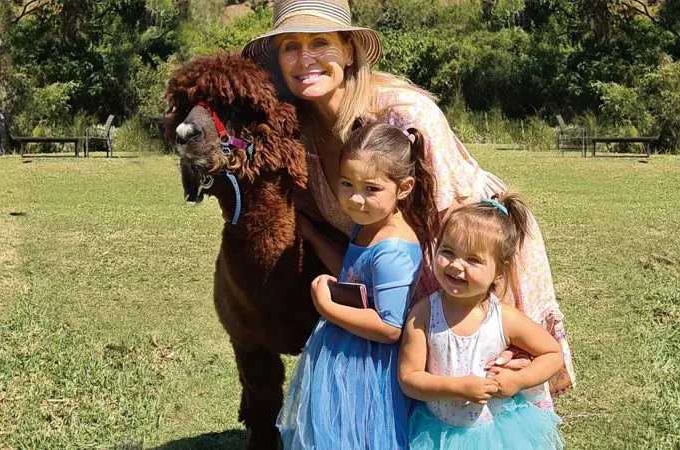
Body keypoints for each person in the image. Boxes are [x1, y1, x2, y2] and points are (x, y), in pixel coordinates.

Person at [242, 0, 576, 403]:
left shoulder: (405, 114)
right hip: (394, 287)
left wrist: (485, 327)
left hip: (466, 255)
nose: (305, 58)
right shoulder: (299, 130)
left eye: (320, 42)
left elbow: (465, 224)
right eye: (290, 46)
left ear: (348, 50)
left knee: (478, 393)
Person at [277, 123, 439, 449]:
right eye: (347, 183)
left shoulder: (393, 248)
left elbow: (391, 327)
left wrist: (327, 308)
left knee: (360, 434)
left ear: (404, 188)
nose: (355, 198)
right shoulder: (367, 223)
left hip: (369, 367)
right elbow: (354, 273)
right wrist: (315, 238)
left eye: (371, 189)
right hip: (346, 350)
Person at [399, 192, 564, 449]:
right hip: (438, 433)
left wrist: (519, 380)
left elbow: (553, 353)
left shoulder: (503, 317)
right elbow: (409, 379)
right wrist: (457, 388)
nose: (455, 265)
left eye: (473, 259)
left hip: (496, 433)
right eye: (448, 251)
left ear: (499, 271)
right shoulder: (424, 314)